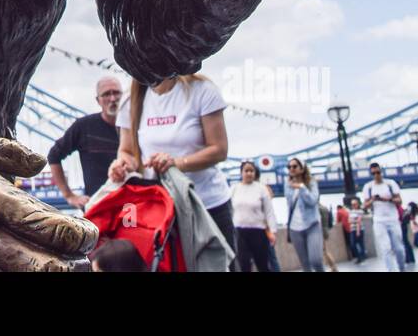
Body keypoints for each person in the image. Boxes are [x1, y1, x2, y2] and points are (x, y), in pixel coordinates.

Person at [110, 74, 235, 256]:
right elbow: (127, 151)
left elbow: (219, 149)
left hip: (207, 206)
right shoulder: (131, 99)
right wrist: (122, 165)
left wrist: (175, 163)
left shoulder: (202, 89)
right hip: (161, 211)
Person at [47, 77, 123, 207]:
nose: (112, 98)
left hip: (133, 204)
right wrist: (69, 195)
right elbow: (53, 156)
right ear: (98, 100)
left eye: (116, 93)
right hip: (98, 206)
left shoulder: (138, 125)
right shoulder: (84, 126)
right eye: (106, 94)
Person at [228, 161, 277, 272]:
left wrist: (273, 232)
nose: (249, 173)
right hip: (240, 233)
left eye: (251, 171)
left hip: (258, 232)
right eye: (246, 170)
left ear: (255, 173)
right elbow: (229, 211)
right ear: (241, 173)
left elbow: (269, 211)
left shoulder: (261, 189)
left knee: (262, 265)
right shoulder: (234, 189)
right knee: (244, 265)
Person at [362, 163, 405, 272]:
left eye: (378, 172)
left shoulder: (390, 184)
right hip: (379, 221)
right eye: (373, 173)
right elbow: (364, 205)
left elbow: (399, 201)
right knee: (385, 248)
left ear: (382, 172)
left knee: (399, 248)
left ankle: (402, 268)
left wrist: (388, 199)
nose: (376, 175)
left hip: (393, 219)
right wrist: (373, 200)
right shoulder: (368, 187)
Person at [284, 157, 325, 271]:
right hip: (294, 228)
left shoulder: (311, 183)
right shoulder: (287, 184)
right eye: (289, 167)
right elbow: (290, 202)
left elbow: (312, 201)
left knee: (316, 260)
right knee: (305, 265)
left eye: (294, 166)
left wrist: (302, 187)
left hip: (312, 224)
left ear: (302, 168)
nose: (291, 169)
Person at [348, 197, 367, 261]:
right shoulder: (351, 212)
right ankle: (359, 256)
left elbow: (359, 221)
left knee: (361, 243)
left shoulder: (360, 211)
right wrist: (354, 220)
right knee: (353, 244)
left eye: (354, 204)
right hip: (352, 229)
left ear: (357, 204)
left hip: (359, 229)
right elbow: (349, 221)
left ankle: (362, 256)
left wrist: (358, 231)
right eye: (352, 204)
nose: (353, 205)